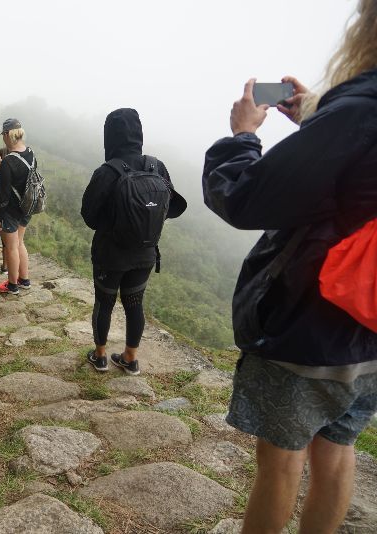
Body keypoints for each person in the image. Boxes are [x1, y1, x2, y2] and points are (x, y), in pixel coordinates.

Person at [202, 2, 377, 532]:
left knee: (281, 463)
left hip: (311, 323)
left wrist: (241, 137)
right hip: (369, 327)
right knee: (337, 452)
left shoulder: (361, 110)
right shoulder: (352, 113)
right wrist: (319, 116)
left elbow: (244, 199)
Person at [81, 109, 186, 375]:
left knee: (104, 303)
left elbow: (89, 216)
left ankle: (101, 355)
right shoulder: (156, 166)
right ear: (139, 132)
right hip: (145, 252)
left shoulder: (107, 171)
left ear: (109, 136)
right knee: (134, 303)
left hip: (110, 254)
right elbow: (171, 208)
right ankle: (130, 358)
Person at [0, 118, 36, 295]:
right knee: (20, 243)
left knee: (11, 247)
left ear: (7, 134)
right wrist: (2, 164)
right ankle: (24, 280)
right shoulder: (31, 153)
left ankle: (12, 285)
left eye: (3, 135)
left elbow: (3, 196)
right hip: (27, 207)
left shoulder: (9, 161)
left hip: (11, 211)